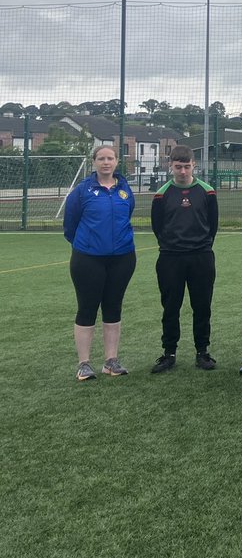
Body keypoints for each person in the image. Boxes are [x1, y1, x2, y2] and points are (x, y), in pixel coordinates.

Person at [64, 144, 137, 381]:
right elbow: (70, 225)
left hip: (122, 258)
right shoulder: (82, 191)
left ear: (117, 162)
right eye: (101, 159)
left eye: (110, 158)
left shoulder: (125, 190)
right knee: (87, 308)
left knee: (113, 306)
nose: (106, 162)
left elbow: (128, 216)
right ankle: (84, 364)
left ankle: (111, 361)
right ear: (94, 162)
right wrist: (88, 245)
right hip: (87, 259)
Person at [149, 145, 219, 373]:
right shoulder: (161, 195)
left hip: (201, 256)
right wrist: (172, 245)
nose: (182, 171)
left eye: (186, 167)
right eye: (178, 167)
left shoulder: (207, 192)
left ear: (194, 165)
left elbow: (212, 226)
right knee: (170, 307)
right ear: (170, 166)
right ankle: (169, 353)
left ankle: (202, 351)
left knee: (202, 306)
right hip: (170, 258)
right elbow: (157, 227)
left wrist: (201, 244)